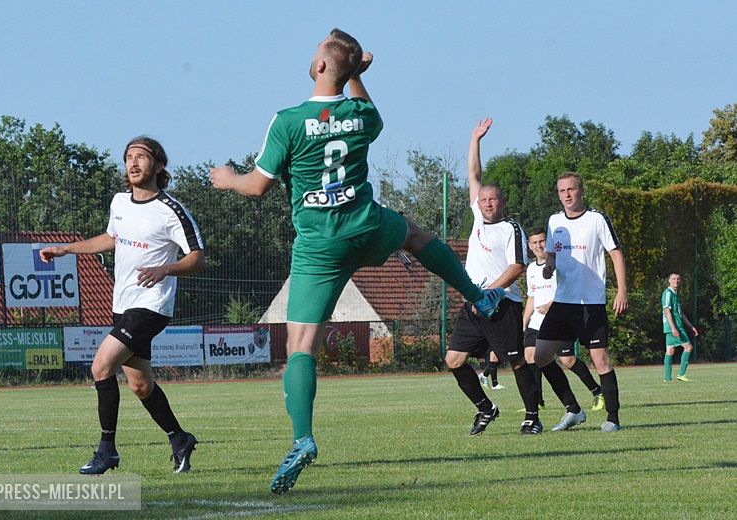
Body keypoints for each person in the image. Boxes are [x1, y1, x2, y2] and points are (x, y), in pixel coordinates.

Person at [209, 29, 504, 494]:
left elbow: (258, 186)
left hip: (321, 245)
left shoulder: (288, 120)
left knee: (300, 346)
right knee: (415, 236)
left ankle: (302, 439)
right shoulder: (360, 114)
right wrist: (357, 77)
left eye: (316, 52)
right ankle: (477, 296)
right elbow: (369, 110)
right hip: (366, 226)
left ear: (322, 66)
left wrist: (228, 178)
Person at [40, 137, 206, 474]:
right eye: (129, 157)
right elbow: (111, 239)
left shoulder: (171, 210)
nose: (133, 162)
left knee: (101, 366)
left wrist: (166, 269)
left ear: (159, 165)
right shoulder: (119, 202)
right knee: (140, 386)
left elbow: (197, 258)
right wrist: (66, 249)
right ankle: (180, 439)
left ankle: (107, 451)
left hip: (151, 306)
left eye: (141, 157)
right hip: (124, 305)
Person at [446, 117, 543, 436]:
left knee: (517, 362)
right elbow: (474, 174)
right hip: (473, 307)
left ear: (502, 202)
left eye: (493, 200)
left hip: (502, 306)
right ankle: (486, 408)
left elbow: (517, 267)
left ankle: (532, 418)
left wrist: (490, 291)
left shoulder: (510, 228)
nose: (487, 203)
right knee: (454, 360)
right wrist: (475, 139)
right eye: (484, 200)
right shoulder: (477, 216)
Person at [533, 172, 628, 433]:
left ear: (581, 190)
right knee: (540, 356)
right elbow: (552, 255)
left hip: (590, 304)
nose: (567, 195)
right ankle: (573, 410)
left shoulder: (596, 219)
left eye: (571, 189)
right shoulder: (554, 221)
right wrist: (549, 267)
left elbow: (616, 254)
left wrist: (622, 291)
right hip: (562, 302)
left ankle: (613, 419)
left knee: (600, 360)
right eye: (562, 191)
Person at [523, 227, 605, 411]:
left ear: (548, 242)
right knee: (530, 356)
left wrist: (551, 305)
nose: (539, 246)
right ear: (529, 246)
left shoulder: (558, 264)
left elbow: (568, 290)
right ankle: (536, 402)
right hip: (536, 323)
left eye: (542, 241)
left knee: (567, 360)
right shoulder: (531, 269)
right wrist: (524, 323)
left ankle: (597, 391)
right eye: (534, 243)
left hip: (558, 321)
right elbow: (531, 297)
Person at [662, 272, 699, 382]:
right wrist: (673, 327)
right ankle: (681, 374)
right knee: (688, 347)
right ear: (669, 280)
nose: (676, 281)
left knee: (670, 350)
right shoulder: (668, 293)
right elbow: (667, 311)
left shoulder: (676, 295)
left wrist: (691, 326)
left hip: (674, 326)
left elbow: (680, 313)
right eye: (673, 279)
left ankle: (667, 378)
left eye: (678, 279)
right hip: (674, 326)